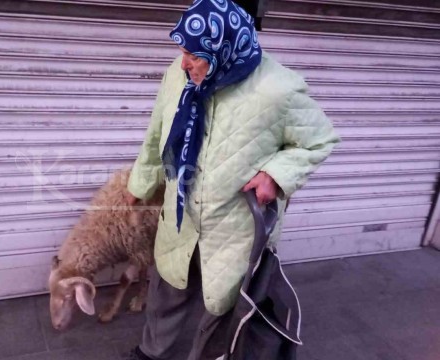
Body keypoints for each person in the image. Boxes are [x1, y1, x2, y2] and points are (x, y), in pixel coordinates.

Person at [124, 1, 339, 359]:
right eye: (181, 52)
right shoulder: (176, 76)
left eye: (193, 55)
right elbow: (157, 134)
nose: (183, 63)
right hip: (180, 218)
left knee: (221, 313)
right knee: (166, 293)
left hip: (234, 229)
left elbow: (320, 140)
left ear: (223, 48)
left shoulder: (278, 89)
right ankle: (151, 353)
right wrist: (139, 185)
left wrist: (277, 174)